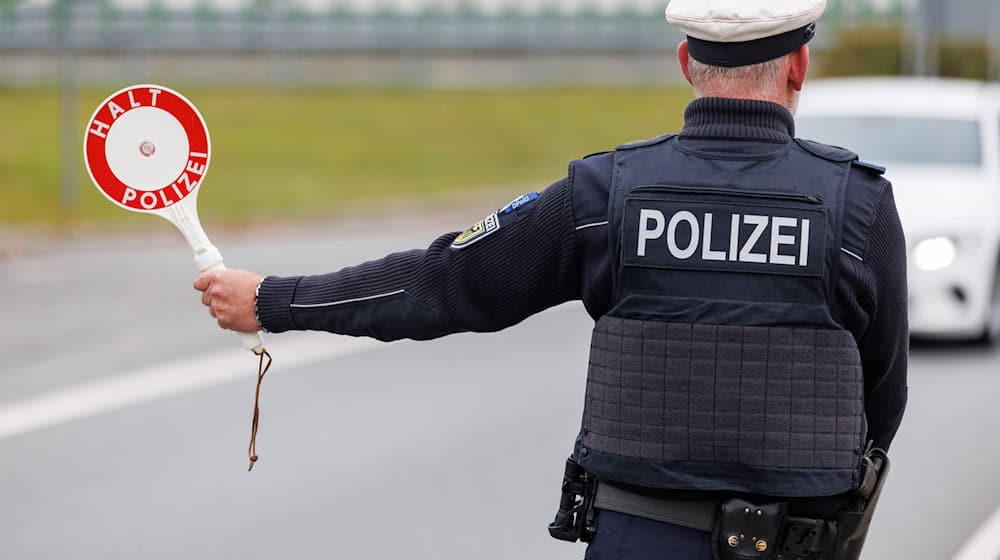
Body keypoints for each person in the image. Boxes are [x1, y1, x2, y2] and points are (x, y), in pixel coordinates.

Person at [194, 0, 908, 557]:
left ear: (687, 61)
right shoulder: (860, 208)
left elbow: (443, 283)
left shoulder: (603, 196)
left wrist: (273, 300)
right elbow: (883, 397)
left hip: (637, 541)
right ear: (799, 65)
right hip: (796, 541)